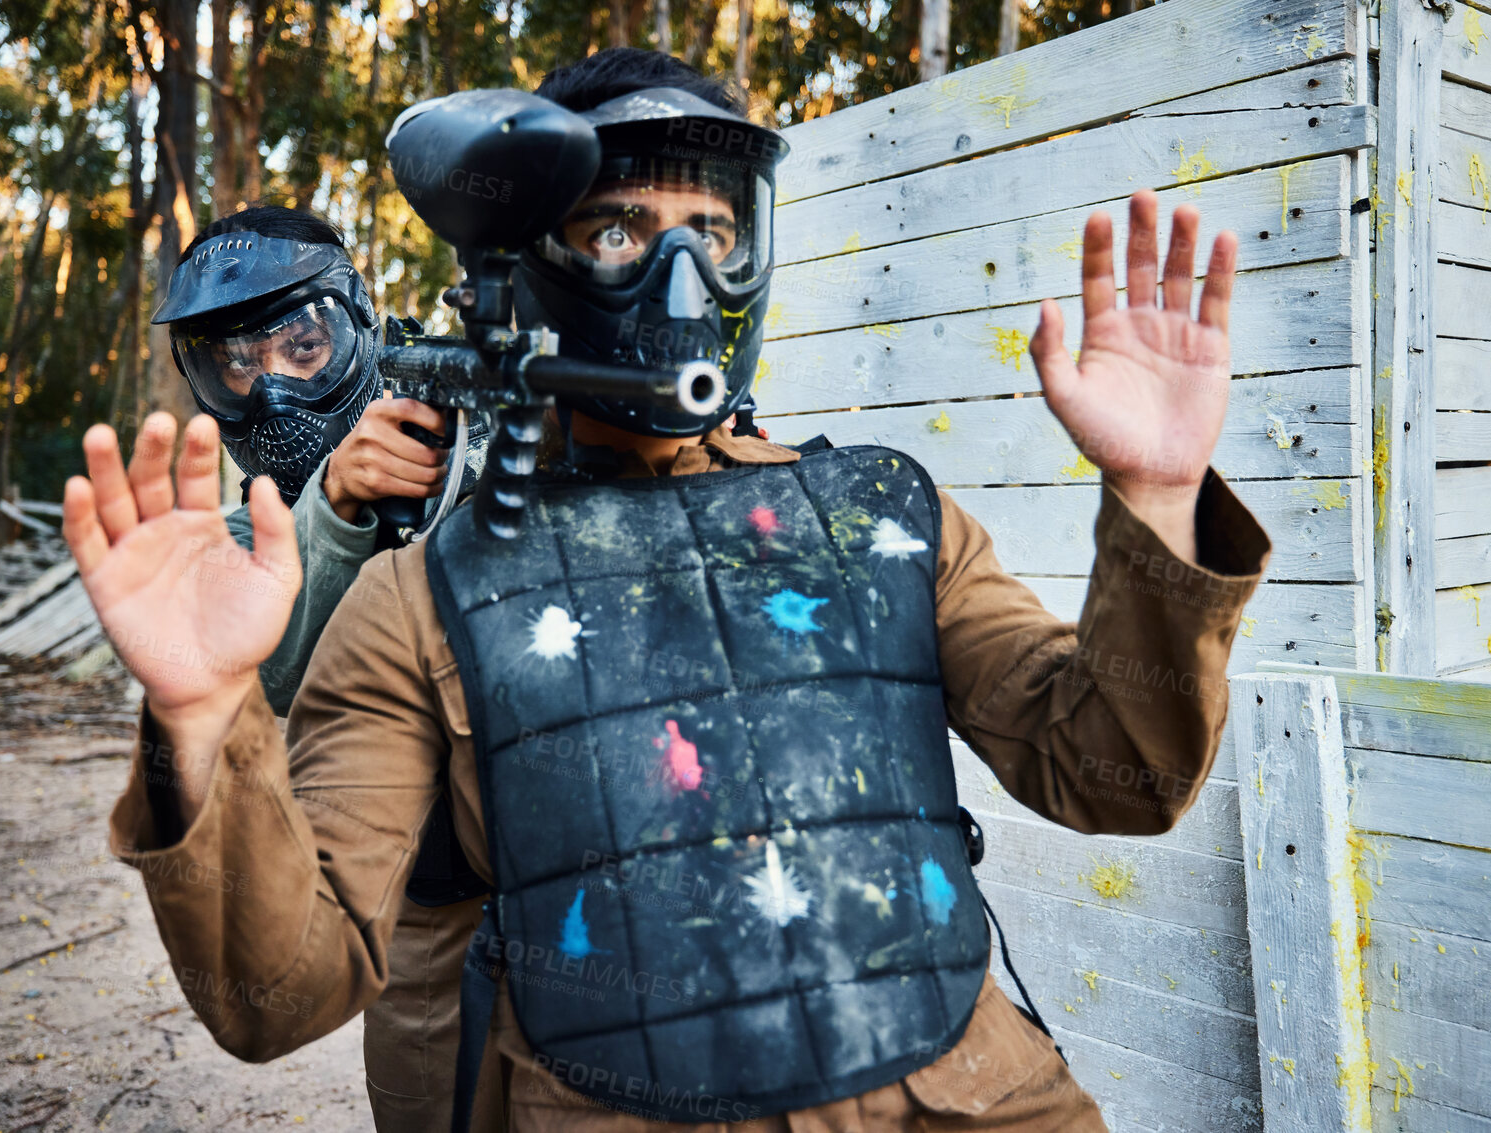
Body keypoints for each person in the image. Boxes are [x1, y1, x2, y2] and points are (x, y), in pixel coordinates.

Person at [67, 49, 1271, 1131]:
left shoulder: (880, 514)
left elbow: (1118, 772)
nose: (679, 270)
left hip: (965, 1098)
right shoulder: (419, 594)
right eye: (617, 228)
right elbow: (279, 993)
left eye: (713, 227)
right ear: (533, 253)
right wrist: (202, 713)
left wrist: (1156, 503)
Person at [142, 205, 501, 1131]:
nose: (271, 391)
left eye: (301, 345)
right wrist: (338, 504)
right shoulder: (240, 539)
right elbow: (264, 680)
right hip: (430, 900)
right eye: (235, 366)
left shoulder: (462, 401)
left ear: (359, 327)